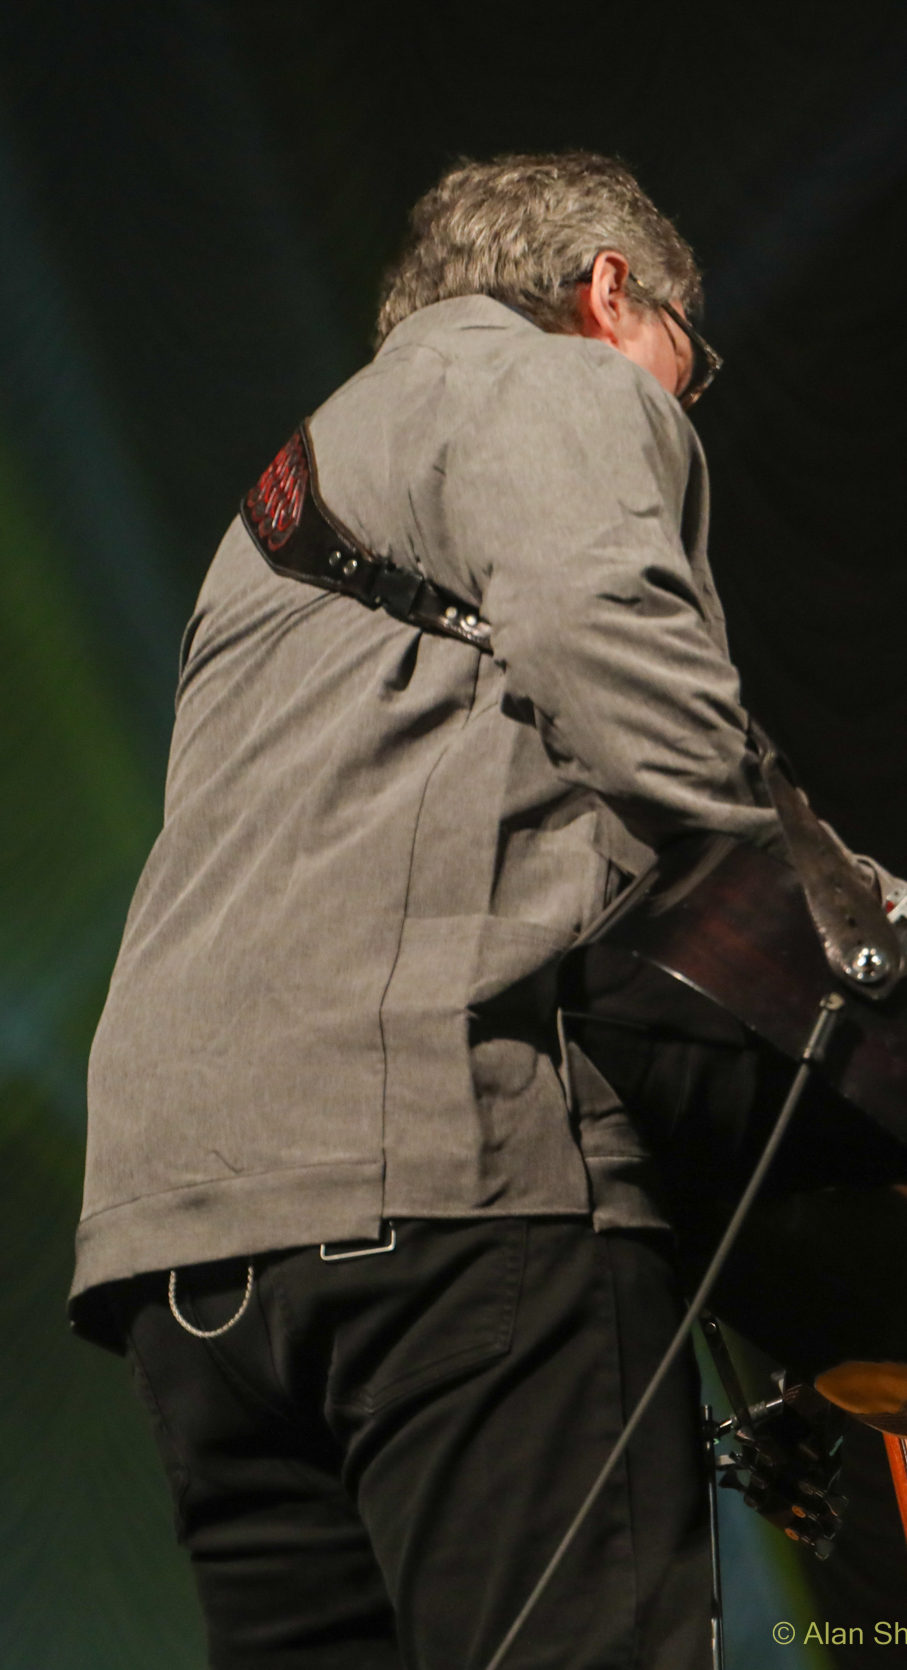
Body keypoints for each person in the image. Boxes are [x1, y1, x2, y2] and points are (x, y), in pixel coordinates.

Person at [73, 152, 860, 1670]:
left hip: (191, 1237)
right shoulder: (557, 383)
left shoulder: (281, 501)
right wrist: (835, 936)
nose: (673, 414)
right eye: (683, 371)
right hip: (446, 1182)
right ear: (610, 291)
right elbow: (611, 654)